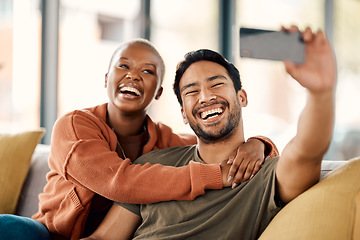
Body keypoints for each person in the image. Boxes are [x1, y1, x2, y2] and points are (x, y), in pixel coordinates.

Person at [0, 39, 278, 240]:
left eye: (147, 71)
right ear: (107, 78)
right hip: (51, 234)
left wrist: (260, 144)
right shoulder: (74, 127)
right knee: (11, 229)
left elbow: (213, 144)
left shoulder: (166, 142)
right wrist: (215, 176)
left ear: (158, 92)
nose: (133, 75)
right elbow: (120, 182)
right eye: (123, 66)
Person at [83, 26, 336, 240]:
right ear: (184, 113)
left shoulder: (267, 175)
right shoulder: (153, 165)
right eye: (192, 91)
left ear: (242, 97)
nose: (205, 97)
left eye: (216, 84)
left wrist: (320, 93)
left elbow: (307, 151)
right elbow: (103, 237)